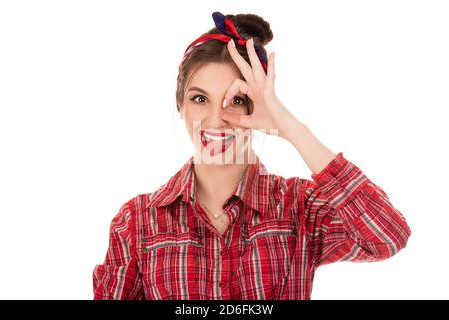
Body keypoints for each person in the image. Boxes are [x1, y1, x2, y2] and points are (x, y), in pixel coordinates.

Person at [93, 11, 411, 300]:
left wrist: (289, 126)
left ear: (256, 106)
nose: (216, 119)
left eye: (234, 100)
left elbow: (387, 236)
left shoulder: (300, 209)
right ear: (181, 106)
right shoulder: (136, 223)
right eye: (200, 98)